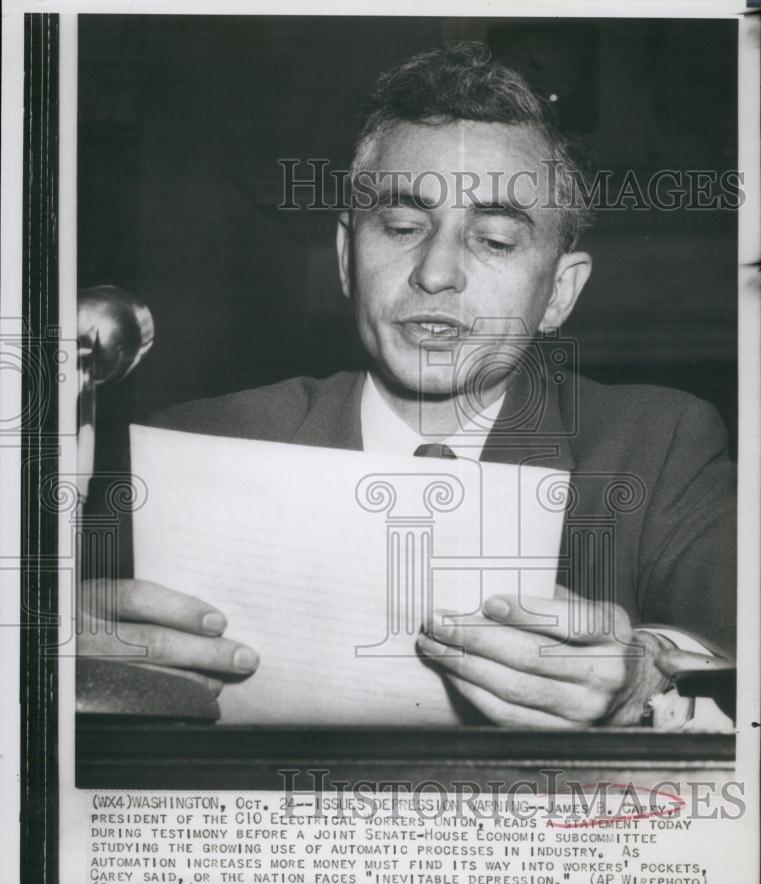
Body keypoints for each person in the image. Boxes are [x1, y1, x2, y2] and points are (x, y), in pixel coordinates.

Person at [79, 41, 736, 728]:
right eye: (401, 226)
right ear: (344, 257)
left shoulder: (659, 446)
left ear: (558, 295)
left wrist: (645, 675)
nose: (434, 273)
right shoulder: (197, 445)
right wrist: (61, 646)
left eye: (494, 241)